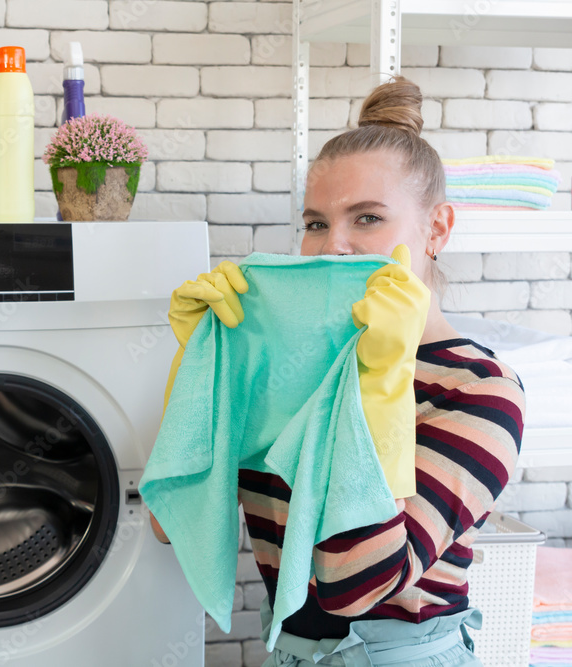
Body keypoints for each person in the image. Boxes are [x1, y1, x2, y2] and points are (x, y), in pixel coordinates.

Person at [149, 77, 525, 665]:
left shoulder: (478, 391)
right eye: (316, 223)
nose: (334, 247)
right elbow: (172, 524)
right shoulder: (284, 369)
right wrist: (200, 369)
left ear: (437, 229)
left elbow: (355, 584)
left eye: (368, 218)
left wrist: (379, 382)